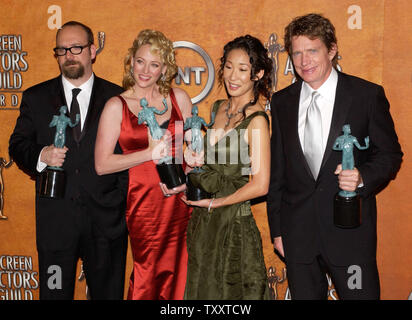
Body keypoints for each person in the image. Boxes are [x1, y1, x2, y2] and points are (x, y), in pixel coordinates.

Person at [267, 13, 403, 299]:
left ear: (332, 49)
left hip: (350, 234)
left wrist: (363, 177)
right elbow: (278, 172)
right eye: (297, 53)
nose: (305, 62)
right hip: (298, 236)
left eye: (313, 51)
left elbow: (390, 154)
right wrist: (277, 231)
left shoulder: (366, 95)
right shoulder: (282, 103)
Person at [9, 21, 128, 300]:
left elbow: (128, 155)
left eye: (76, 47)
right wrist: (41, 155)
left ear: (92, 50)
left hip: (106, 224)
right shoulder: (35, 97)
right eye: (61, 50)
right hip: (56, 225)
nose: (69, 55)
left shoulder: (119, 98)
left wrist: (118, 199)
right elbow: (18, 145)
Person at [94, 29, 192, 300]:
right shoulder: (117, 106)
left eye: (154, 64)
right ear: (131, 61)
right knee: (147, 273)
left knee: (181, 272)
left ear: (165, 68)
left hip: (180, 204)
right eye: (140, 61)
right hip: (144, 205)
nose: (145, 70)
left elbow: (193, 156)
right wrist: (148, 153)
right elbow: (102, 164)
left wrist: (190, 176)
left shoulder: (179, 99)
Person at [182, 35, 272, 299]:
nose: (233, 76)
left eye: (243, 69)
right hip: (203, 223)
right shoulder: (218, 108)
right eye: (229, 66)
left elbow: (260, 183)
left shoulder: (257, 121)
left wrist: (217, 204)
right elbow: (207, 163)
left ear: (258, 73)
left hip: (233, 224)